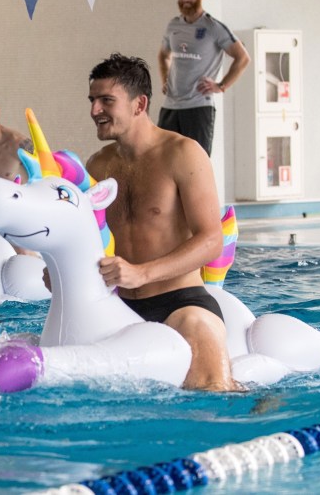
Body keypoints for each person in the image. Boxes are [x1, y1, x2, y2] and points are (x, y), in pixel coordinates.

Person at [86, 53, 240, 392]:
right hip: (118, 306)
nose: (95, 110)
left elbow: (211, 240)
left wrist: (143, 273)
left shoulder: (183, 154)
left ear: (139, 104)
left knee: (212, 387)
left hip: (180, 300)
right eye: (93, 100)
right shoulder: (97, 167)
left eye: (106, 100)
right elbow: (91, 240)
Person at [157, 0, 250, 156]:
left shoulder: (213, 27)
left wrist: (221, 85)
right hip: (171, 106)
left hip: (198, 107)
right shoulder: (173, 25)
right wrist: (165, 79)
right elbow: (163, 55)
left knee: (195, 161)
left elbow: (243, 57)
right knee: (163, 158)